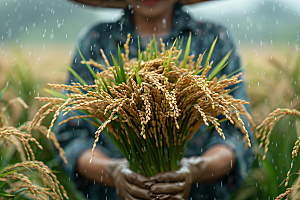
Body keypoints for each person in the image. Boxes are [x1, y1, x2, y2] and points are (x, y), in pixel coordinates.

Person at [53, 0, 254, 199]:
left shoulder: (213, 40)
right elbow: (70, 134)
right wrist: (112, 171)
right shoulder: (96, 41)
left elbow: (236, 131)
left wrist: (197, 169)